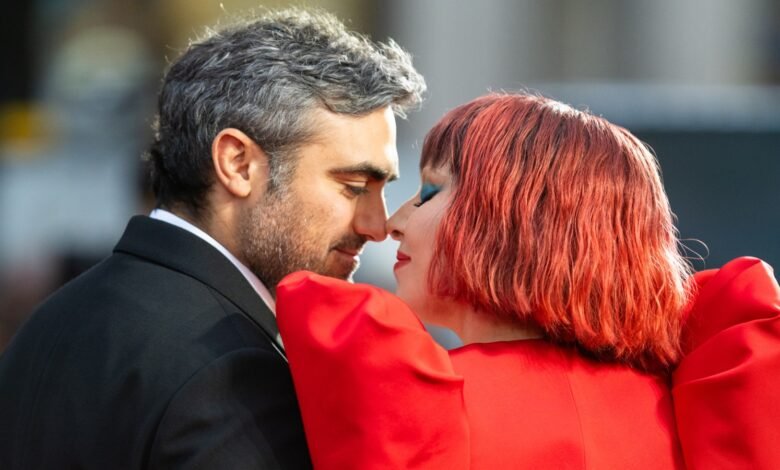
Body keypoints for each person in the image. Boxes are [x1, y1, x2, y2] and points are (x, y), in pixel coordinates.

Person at [0, 9, 425, 469]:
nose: (377, 225)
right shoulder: (230, 370)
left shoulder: (52, 322)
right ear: (238, 164)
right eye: (355, 187)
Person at [276, 93, 780, 469]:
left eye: (429, 192)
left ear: (514, 220)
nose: (393, 222)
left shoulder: (418, 405)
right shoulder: (695, 407)